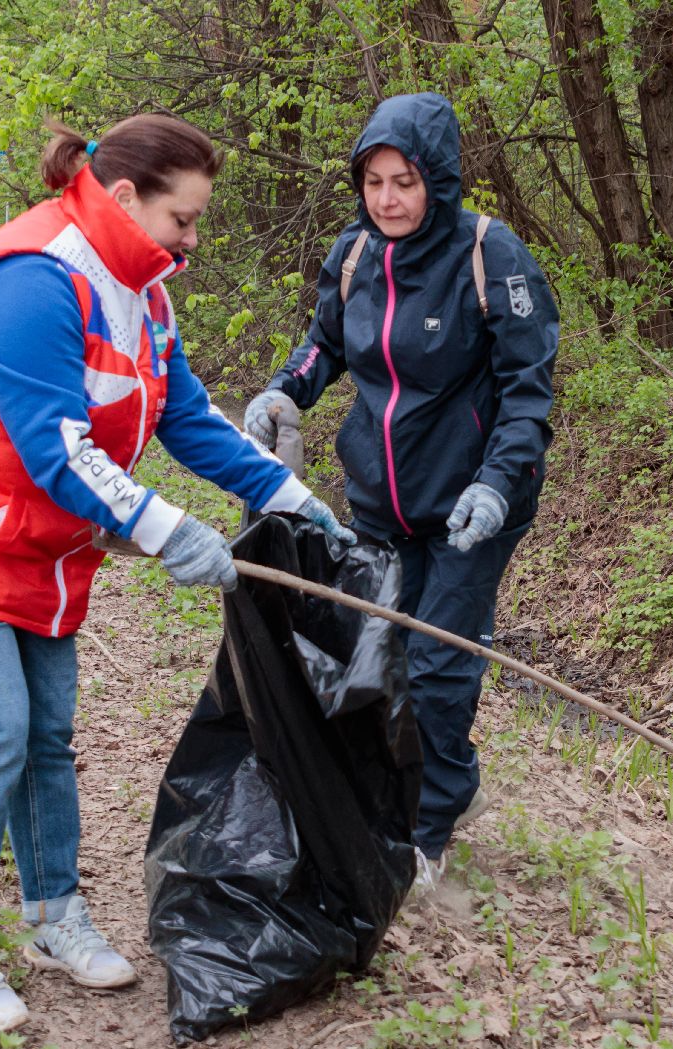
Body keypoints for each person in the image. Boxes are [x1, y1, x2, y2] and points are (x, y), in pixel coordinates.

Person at [0, 114, 354, 1038]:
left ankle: (52, 917)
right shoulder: (30, 277)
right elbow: (56, 446)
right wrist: (169, 531)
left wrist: (290, 497)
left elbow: (187, 420)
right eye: (184, 220)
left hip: (31, 539)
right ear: (124, 197)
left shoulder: (144, 291)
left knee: (47, 730)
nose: (192, 243)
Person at [244, 92, 559, 893]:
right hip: (382, 496)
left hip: (472, 504)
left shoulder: (494, 256)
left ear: (440, 181)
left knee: (439, 661)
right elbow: (324, 347)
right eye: (374, 181)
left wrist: (495, 483)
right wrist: (286, 394)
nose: (387, 199)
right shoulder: (355, 256)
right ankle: (438, 782)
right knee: (380, 650)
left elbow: (528, 390)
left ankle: (430, 825)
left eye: (405, 182)